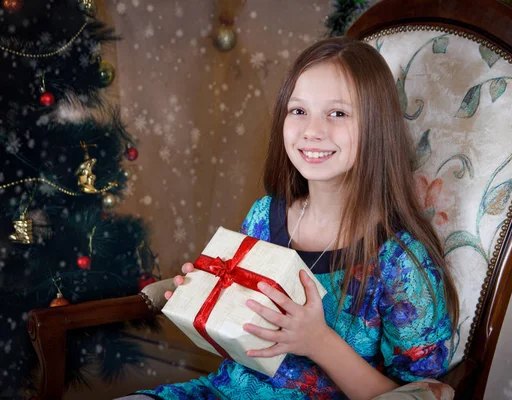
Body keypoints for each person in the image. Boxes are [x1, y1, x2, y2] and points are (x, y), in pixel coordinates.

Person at [128, 36, 459, 400]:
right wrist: (207, 302)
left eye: (338, 113)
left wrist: (318, 342)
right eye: (298, 111)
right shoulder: (264, 215)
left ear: (376, 126)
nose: (311, 131)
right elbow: (242, 340)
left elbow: (419, 394)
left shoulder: (402, 263)